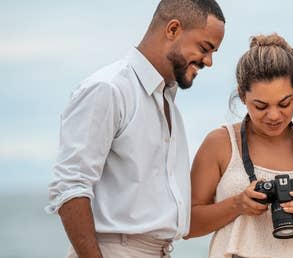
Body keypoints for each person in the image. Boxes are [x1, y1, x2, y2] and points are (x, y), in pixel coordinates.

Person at [45, 1, 225, 257]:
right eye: (205, 48)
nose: (209, 61)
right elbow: (70, 186)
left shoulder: (168, 103)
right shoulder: (108, 89)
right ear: (173, 29)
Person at [185, 33, 293, 258]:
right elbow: (187, 225)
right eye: (261, 106)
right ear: (242, 96)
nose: (274, 115)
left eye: (285, 103)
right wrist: (238, 204)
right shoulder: (220, 143)